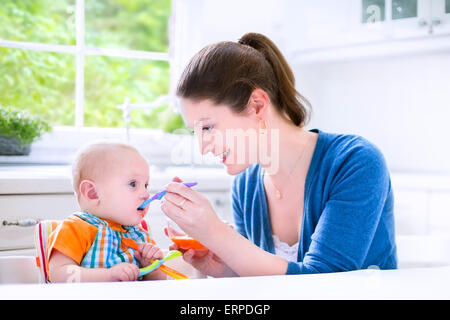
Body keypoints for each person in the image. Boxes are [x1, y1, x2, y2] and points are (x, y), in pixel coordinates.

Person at [160, 32, 397, 277]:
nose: (203, 147)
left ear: (257, 106)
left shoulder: (355, 163)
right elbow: (271, 284)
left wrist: (217, 233)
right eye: (196, 132)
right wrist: (225, 269)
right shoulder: (245, 187)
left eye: (208, 127)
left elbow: (326, 284)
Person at [47, 141, 167, 282]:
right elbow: (58, 275)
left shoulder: (140, 235)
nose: (146, 194)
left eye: (146, 185)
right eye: (133, 184)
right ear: (93, 193)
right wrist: (108, 275)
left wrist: (152, 267)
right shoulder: (75, 229)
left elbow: (158, 286)